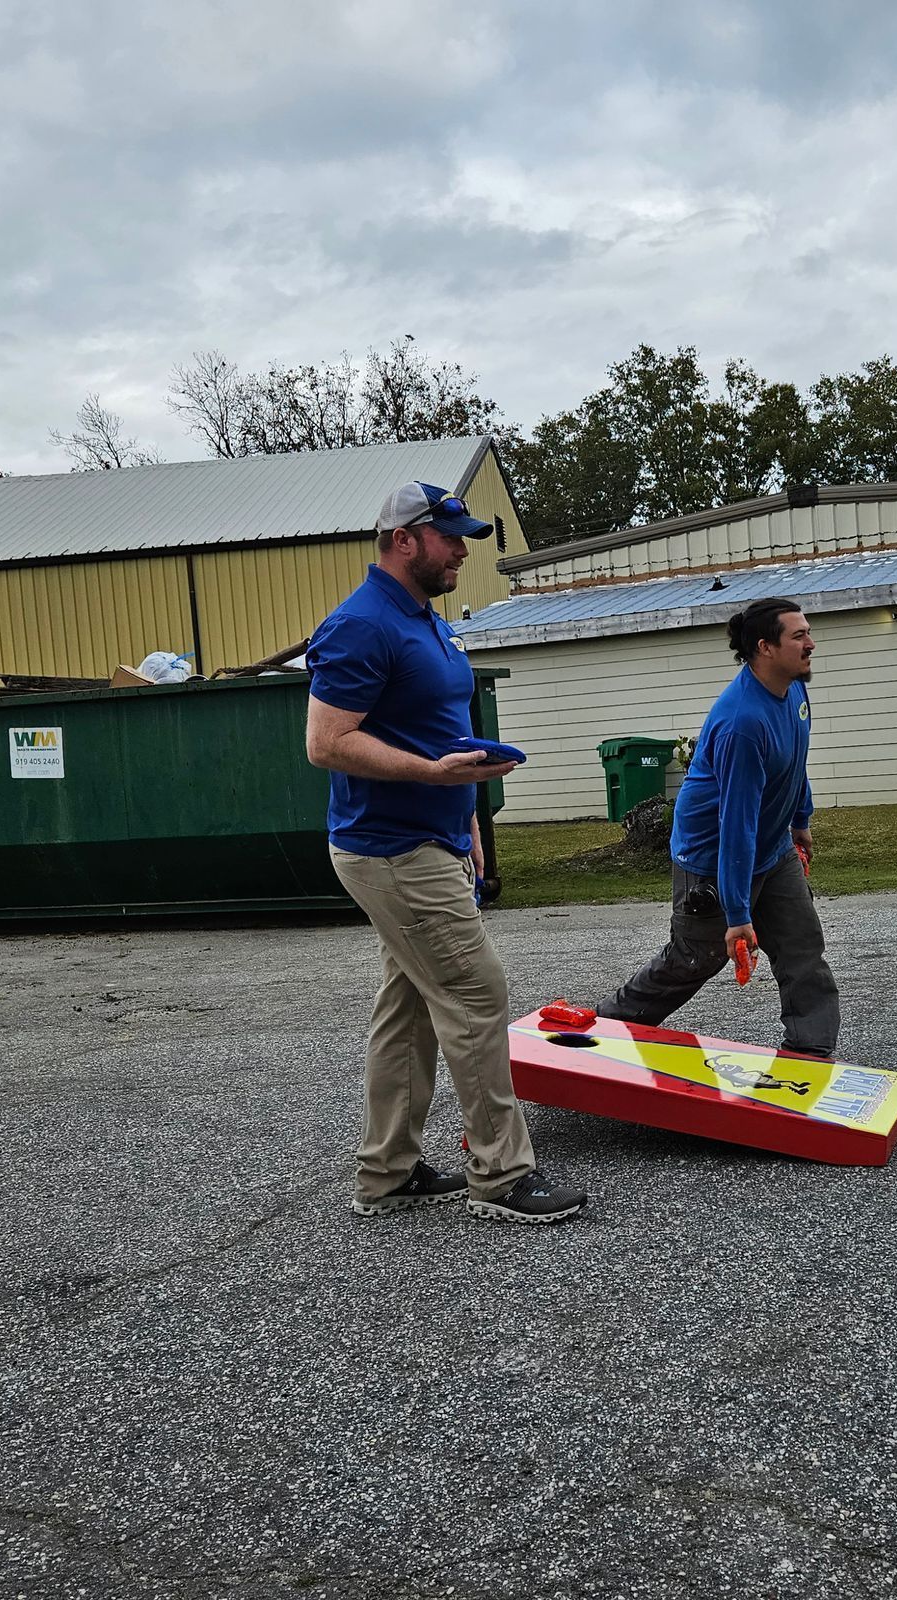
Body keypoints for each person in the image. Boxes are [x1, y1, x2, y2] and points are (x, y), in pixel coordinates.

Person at [305, 481, 586, 1225]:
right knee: (474, 992)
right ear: (404, 540)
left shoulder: (424, 621)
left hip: (431, 841)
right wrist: (431, 778)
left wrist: (464, 822)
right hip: (391, 850)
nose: (463, 548)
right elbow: (326, 743)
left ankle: (387, 1172)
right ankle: (500, 1174)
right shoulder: (361, 625)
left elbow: (436, 729)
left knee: (413, 1009)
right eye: (451, 535)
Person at [599, 597, 841, 1058]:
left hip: (772, 847)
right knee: (696, 957)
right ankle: (606, 1030)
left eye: (808, 632)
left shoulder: (793, 689)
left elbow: (794, 761)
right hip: (714, 856)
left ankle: (810, 1054)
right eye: (799, 635)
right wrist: (736, 915)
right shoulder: (742, 723)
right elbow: (736, 825)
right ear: (765, 647)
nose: (811, 643)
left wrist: (800, 819)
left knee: (802, 947)